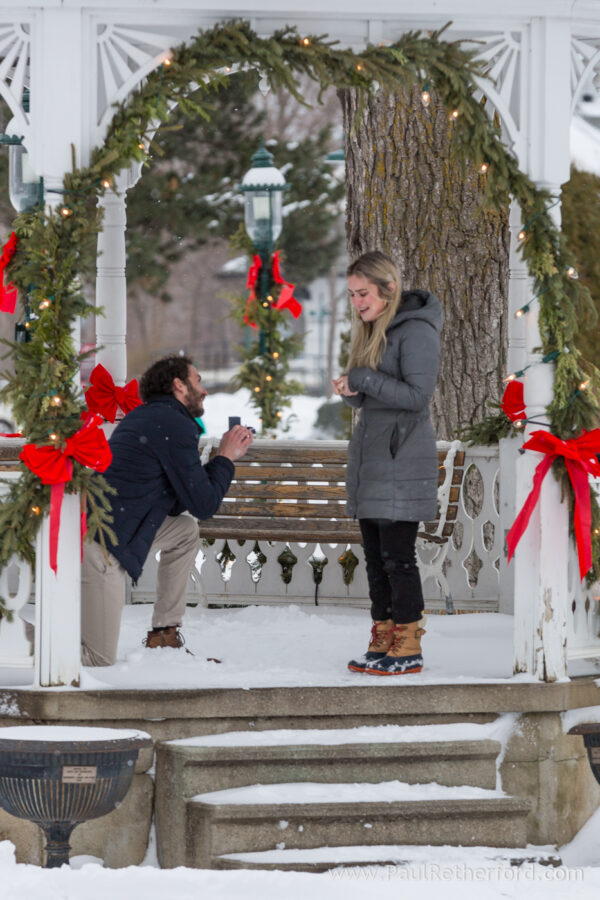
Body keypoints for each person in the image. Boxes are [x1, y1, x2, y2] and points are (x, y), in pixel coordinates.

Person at [81, 354, 253, 666]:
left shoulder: (148, 417)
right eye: (198, 381)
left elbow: (177, 503)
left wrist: (207, 469)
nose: (204, 391)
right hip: (102, 543)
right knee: (96, 657)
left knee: (184, 532)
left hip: (109, 527)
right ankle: (10, 633)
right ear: (179, 385)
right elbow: (204, 505)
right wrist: (226, 457)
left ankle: (164, 633)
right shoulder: (174, 424)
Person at [332, 251, 442, 676]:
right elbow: (377, 396)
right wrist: (352, 392)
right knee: (376, 557)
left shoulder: (416, 331)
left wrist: (361, 378)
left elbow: (417, 397)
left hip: (402, 456)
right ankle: (383, 633)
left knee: (398, 556)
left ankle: (408, 640)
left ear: (389, 289)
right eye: (353, 295)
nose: (357, 302)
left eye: (364, 294)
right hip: (374, 457)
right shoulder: (374, 330)